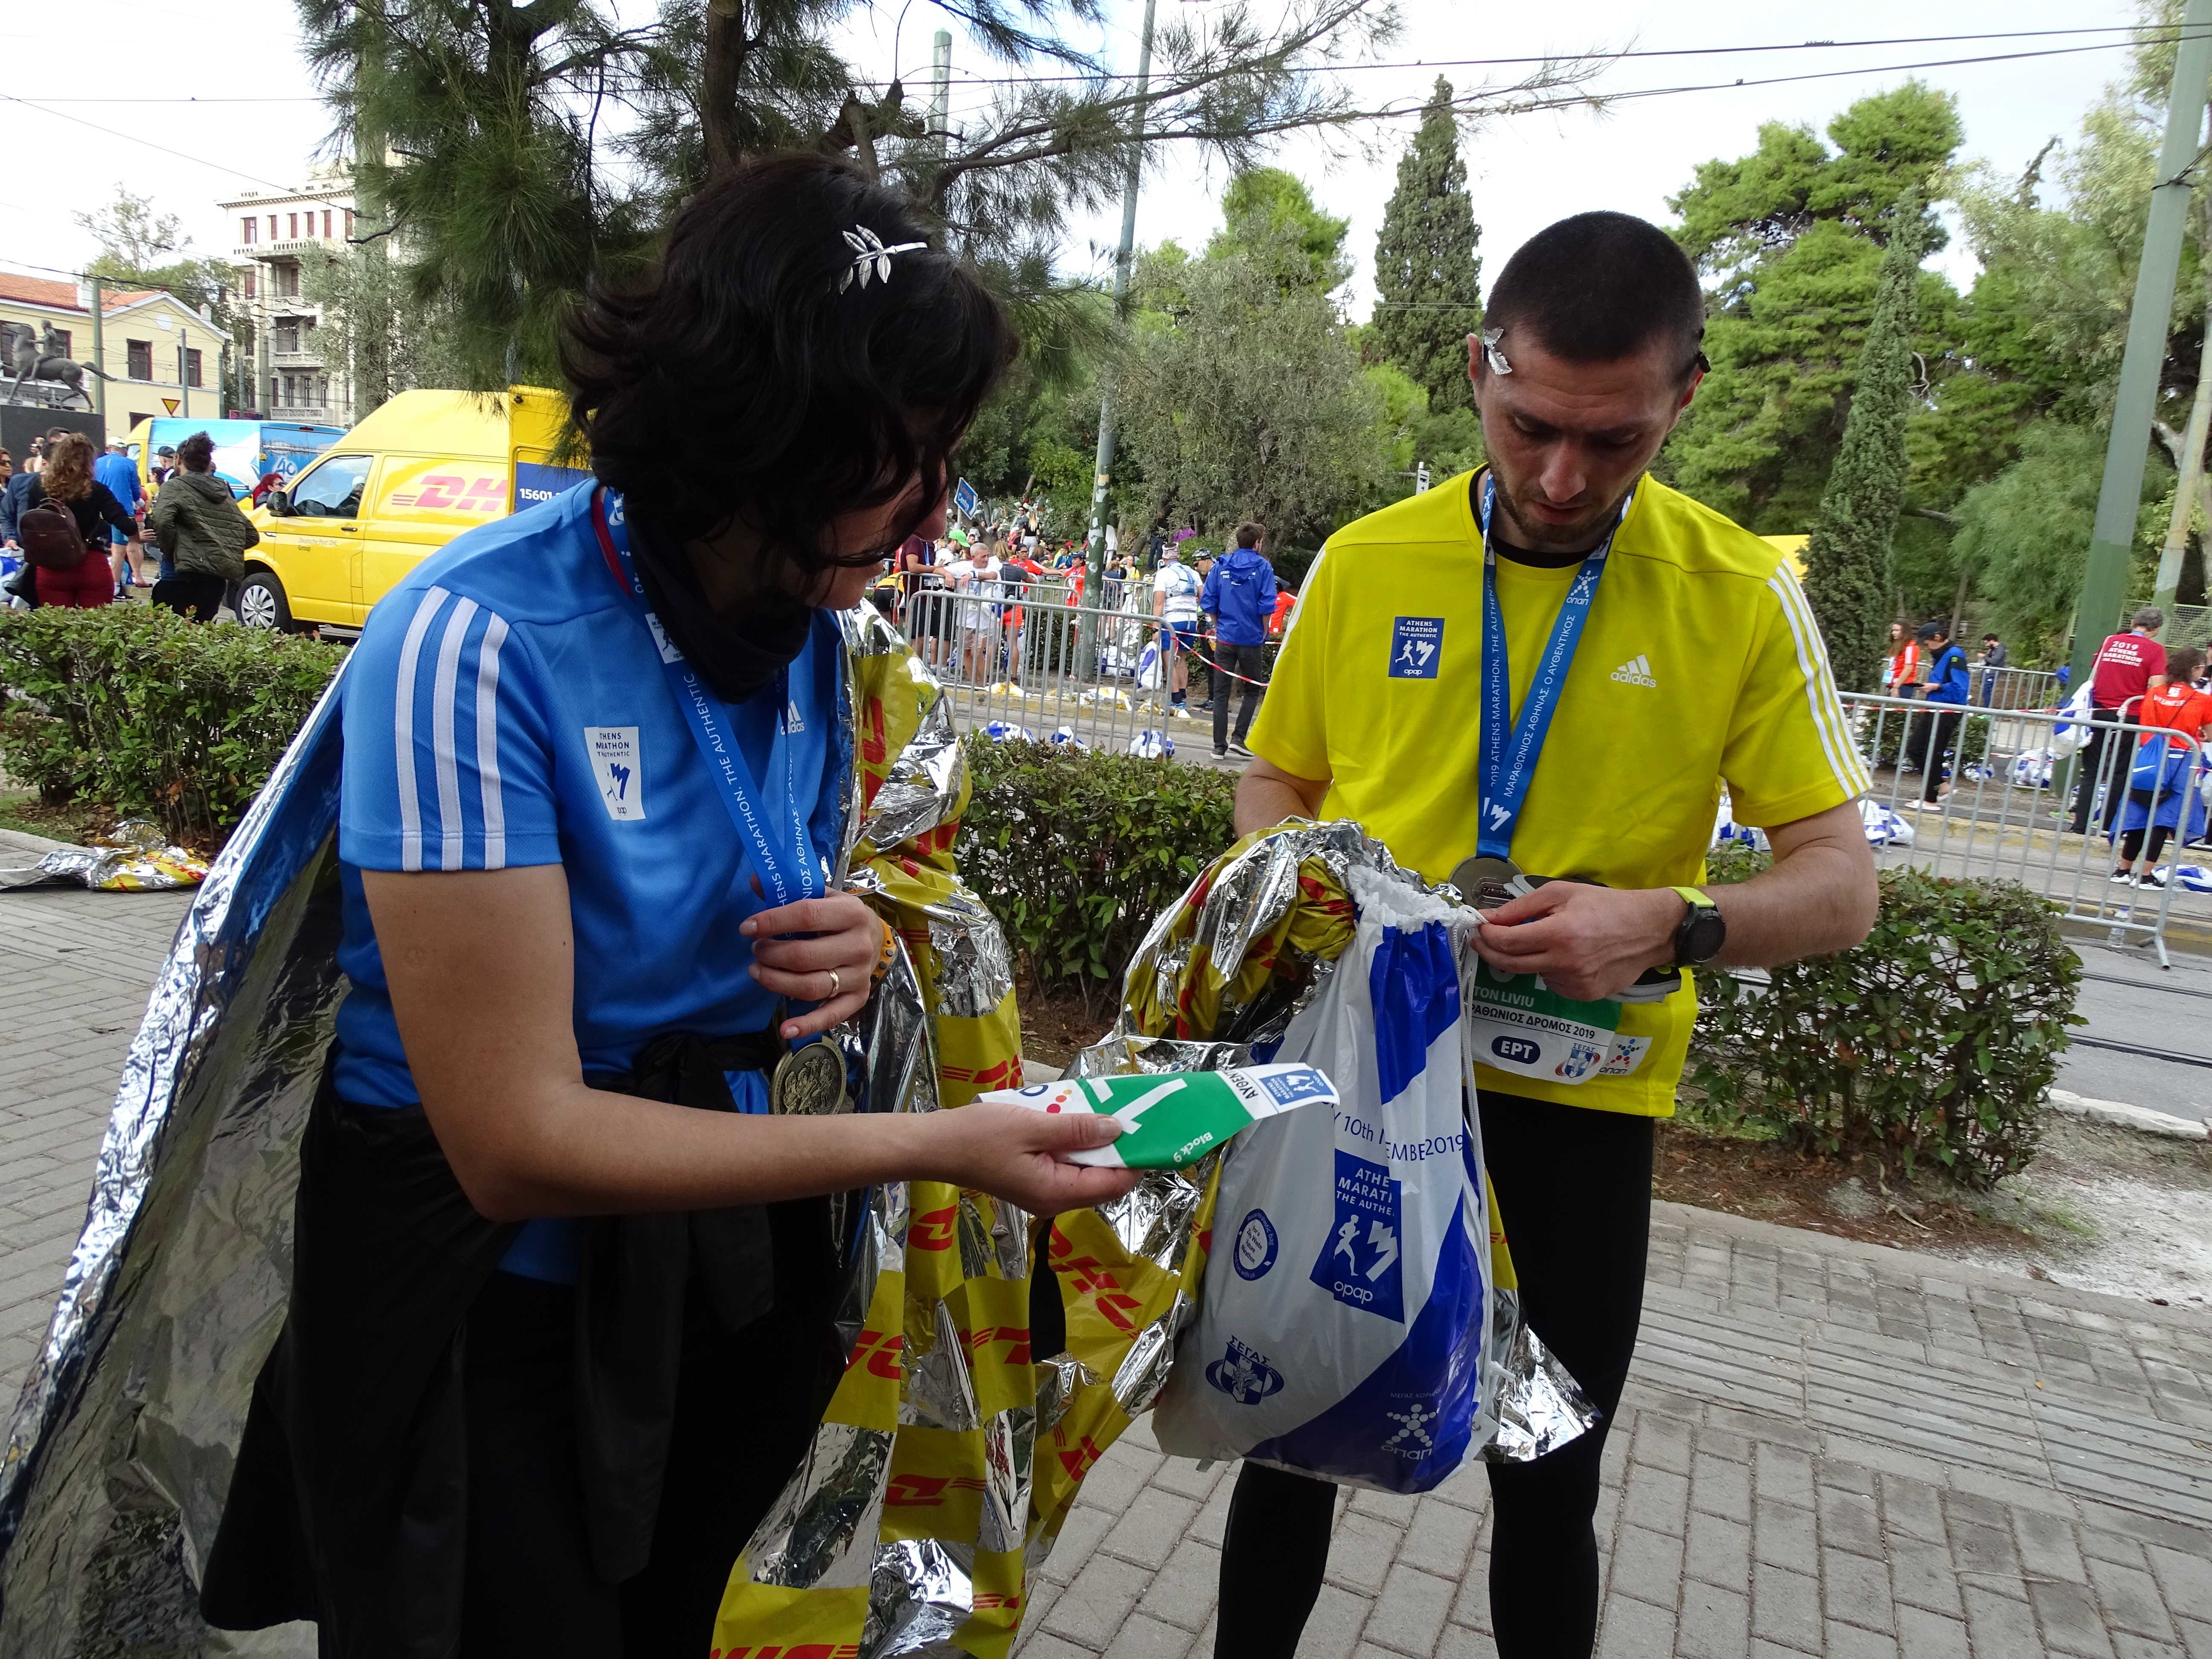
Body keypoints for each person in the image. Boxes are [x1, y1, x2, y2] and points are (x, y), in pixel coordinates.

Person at [195, 153, 1136, 1656]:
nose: (929, 509)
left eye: (942, 455)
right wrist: (948, 1144)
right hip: (486, 1299)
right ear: (763, 441)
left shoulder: (815, 634)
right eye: (897, 459)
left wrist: (859, 934)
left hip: (715, 1262)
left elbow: (763, 874)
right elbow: (512, 1140)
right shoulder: (478, 636)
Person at [1226, 210, 1878, 1659]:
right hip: (1358, 1082)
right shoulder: (1361, 561)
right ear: (1478, 369)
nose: (1563, 475)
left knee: (1547, 1483)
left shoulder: (1742, 593)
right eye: (1529, 426)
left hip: (1578, 1112)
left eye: (1616, 440)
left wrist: (1674, 922)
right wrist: (1312, 892)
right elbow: (1275, 778)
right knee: (1286, 1447)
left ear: (1682, 400)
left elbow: (1842, 881)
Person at [2109, 647, 2212, 885]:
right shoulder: (2201, 700)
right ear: (2194, 670)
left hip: (2150, 760)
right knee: (2164, 819)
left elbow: (2146, 727)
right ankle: (2145, 875)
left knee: (2139, 811)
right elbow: (2209, 734)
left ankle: (2123, 871)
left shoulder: (2153, 694)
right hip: (2182, 762)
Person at [2070, 606, 2169, 836]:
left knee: (2091, 771)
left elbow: (2097, 671)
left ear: (2134, 622)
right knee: (2119, 772)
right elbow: (2157, 687)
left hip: (2097, 712)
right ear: (2155, 631)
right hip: (2129, 716)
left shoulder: (2110, 641)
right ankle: (2107, 827)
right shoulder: (2155, 650)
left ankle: (2080, 825)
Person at [17, 432, 141, 607]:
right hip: (90, 563)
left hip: (51, 566)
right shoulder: (97, 490)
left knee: (56, 627)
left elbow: (27, 523)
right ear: (90, 462)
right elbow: (122, 521)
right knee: (95, 627)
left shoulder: (38, 487)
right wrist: (137, 536)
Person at [148, 429, 259, 622]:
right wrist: (218, 549)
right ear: (208, 463)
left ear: (179, 461)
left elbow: (162, 521)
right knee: (201, 639)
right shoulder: (223, 491)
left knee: (168, 641)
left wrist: (172, 550)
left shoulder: (174, 487)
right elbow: (250, 535)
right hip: (214, 582)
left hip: (178, 577)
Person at [1202, 521, 1277, 759]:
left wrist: (1217, 625)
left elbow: (1209, 600)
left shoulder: (1221, 566)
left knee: (1221, 692)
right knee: (1253, 689)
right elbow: (1267, 605)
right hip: (1251, 638)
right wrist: (1264, 632)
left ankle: (1218, 747)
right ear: (1257, 543)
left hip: (1225, 637)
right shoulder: (1264, 568)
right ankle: (1239, 738)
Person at [1914, 620, 1970, 805]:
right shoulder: (1942, 655)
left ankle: (1931, 799)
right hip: (1935, 708)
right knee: (1916, 749)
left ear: (1937, 637)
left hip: (1947, 711)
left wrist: (1936, 687)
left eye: (1927, 642)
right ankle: (1940, 786)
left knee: (1933, 753)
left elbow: (1960, 689)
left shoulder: (1955, 656)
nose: (1925, 646)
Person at [1153, 542, 1204, 713]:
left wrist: (1155, 627)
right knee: (1182, 659)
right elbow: (1203, 596)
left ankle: (1176, 700)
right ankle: (1182, 695)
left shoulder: (1163, 574)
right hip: (1191, 620)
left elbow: (1159, 602)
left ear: (1164, 558)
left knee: (1169, 660)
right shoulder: (1192, 572)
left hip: (1172, 620)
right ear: (1179, 556)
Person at [2, 426, 71, 550]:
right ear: (45, 464)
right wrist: (10, 538)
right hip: (24, 551)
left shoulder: (76, 487)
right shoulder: (20, 483)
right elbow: (7, 515)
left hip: (64, 553)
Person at [94, 437, 149, 588]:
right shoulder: (129, 463)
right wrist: (138, 500)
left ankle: (113, 584)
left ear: (108, 449)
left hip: (98, 510)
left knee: (107, 546)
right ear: (125, 451)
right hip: (122, 510)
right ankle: (128, 579)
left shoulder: (97, 463)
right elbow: (135, 488)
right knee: (127, 544)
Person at [1978, 630, 2007, 707]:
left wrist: (1984, 657)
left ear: (1992, 641)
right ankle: (1986, 708)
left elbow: (1994, 661)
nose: (1986, 645)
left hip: (1993, 673)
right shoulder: (1994, 649)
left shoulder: (2000, 649)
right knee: (1985, 691)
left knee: (1986, 691)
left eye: (1987, 643)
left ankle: (1987, 710)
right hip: (1990, 672)